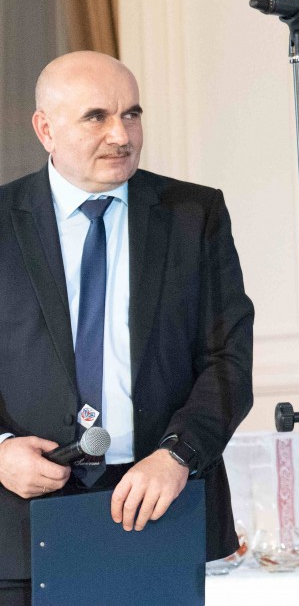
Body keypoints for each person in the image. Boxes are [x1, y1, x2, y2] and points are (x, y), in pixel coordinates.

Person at [0, 52, 254, 606]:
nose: (121, 135)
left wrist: (178, 456)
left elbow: (228, 360)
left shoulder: (194, 214)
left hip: (159, 510)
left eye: (132, 114)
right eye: (97, 116)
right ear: (46, 129)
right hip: (18, 521)